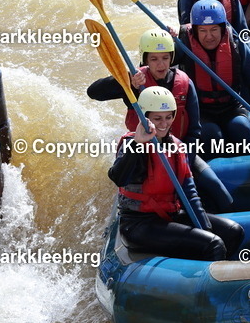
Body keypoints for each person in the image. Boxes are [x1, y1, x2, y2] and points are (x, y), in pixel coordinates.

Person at [87, 29, 233, 211]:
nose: (160, 64)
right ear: (145, 60)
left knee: (219, 192)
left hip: (178, 152)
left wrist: (183, 161)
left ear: (171, 58)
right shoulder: (134, 82)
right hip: (143, 157)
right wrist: (125, 80)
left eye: (165, 58)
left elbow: (194, 130)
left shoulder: (184, 82)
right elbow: (93, 92)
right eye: (154, 59)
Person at [109, 86, 244, 261]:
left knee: (233, 232)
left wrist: (205, 228)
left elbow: (190, 194)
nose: (164, 124)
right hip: (139, 224)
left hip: (170, 216)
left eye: (168, 117)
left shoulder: (178, 146)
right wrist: (138, 144)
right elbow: (118, 177)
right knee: (213, 244)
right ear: (144, 117)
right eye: (157, 118)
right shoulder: (132, 144)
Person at [175, 0, 250, 154]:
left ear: (222, 29)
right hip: (200, 110)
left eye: (214, 29)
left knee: (242, 129)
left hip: (232, 106)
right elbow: (159, 64)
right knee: (212, 135)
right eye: (203, 31)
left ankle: (249, 170)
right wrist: (166, 41)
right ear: (194, 31)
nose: (209, 36)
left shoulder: (236, 45)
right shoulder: (184, 46)